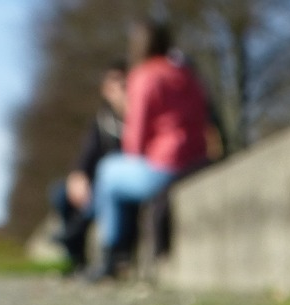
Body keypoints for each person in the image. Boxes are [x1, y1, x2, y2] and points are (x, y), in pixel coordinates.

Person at [87, 19, 209, 280]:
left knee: (108, 171)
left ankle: (111, 256)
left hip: (166, 167)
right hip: (197, 160)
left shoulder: (144, 75)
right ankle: (119, 254)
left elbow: (136, 139)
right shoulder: (188, 74)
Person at [49, 62, 128, 273]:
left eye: (124, 83)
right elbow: (87, 153)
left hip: (117, 183)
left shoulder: (138, 118)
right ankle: (76, 259)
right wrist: (78, 175)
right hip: (95, 184)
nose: (121, 89)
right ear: (105, 90)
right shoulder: (102, 121)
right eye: (114, 84)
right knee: (61, 193)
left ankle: (76, 234)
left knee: (104, 190)